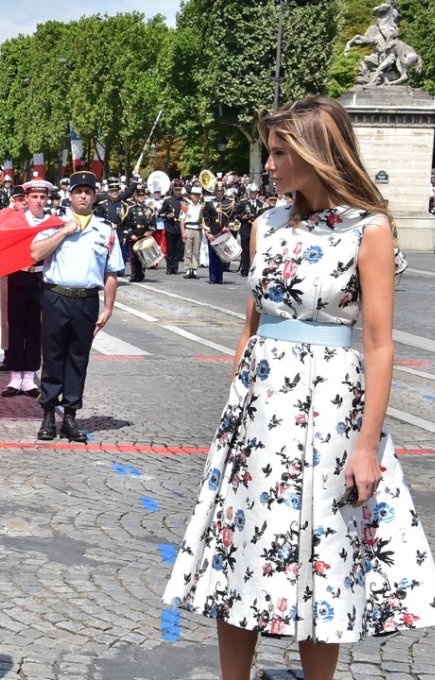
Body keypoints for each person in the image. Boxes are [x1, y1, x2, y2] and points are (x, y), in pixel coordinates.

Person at [163, 96, 435, 680]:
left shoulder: (371, 231)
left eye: (280, 152)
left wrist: (366, 447)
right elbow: (251, 325)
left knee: (322, 553)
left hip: (330, 409)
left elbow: (382, 344)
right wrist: (232, 414)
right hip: (259, 409)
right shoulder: (266, 224)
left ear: (317, 153)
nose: (269, 164)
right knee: (238, 547)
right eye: (270, 151)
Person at [31, 171, 124, 442]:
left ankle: (70, 416)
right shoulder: (54, 223)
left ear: (95, 196)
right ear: (69, 195)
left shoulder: (105, 230)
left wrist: (108, 307)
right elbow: (36, 253)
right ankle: (48, 414)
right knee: (52, 357)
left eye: (88, 191)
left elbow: (111, 272)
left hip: (86, 300)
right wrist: (64, 231)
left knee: (78, 359)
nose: (83, 195)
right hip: (56, 297)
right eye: (78, 191)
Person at [2, 179, 51, 397]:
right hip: (18, 276)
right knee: (16, 327)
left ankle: (29, 377)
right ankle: (14, 376)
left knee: (35, 328)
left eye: (42, 197)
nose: (38, 201)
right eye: (34, 197)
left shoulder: (53, 223)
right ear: (27, 199)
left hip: (41, 279)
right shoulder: (17, 221)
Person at [121, 184, 157, 283]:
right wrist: (130, 234)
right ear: (136, 196)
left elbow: (154, 224)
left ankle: (141, 273)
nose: (141, 197)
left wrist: (150, 232)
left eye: (143, 196)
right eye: (139, 196)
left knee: (142, 257)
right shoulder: (131, 209)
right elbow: (126, 224)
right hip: (134, 235)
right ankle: (134, 274)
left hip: (144, 236)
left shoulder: (149, 209)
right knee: (133, 257)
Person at [234, 183, 264, 276]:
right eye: (251, 192)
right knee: (245, 250)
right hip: (246, 228)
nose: (253, 194)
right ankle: (244, 269)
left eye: (255, 192)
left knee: (255, 249)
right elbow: (236, 214)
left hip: (255, 230)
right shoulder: (243, 202)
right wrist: (243, 217)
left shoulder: (261, 204)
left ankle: (253, 268)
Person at [158, 180, 186, 275]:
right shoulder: (168, 200)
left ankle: (175, 267)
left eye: (179, 189)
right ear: (173, 190)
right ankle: (169, 267)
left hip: (180, 227)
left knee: (178, 249)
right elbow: (160, 214)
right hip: (170, 226)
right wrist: (167, 215)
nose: (178, 191)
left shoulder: (184, 201)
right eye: (176, 189)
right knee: (170, 249)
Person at [181, 186, 206, 278]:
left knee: (196, 250)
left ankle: (194, 269)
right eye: (194, 194)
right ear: (191, 195)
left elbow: (204, 219)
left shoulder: (202, 206)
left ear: (200, 196)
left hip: (197, 229)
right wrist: (183, 232)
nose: (195, 196)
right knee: (188, 250)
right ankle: (188, 269)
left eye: (197, 195)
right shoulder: (186, 206)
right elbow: (182, 220)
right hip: (188, 228)